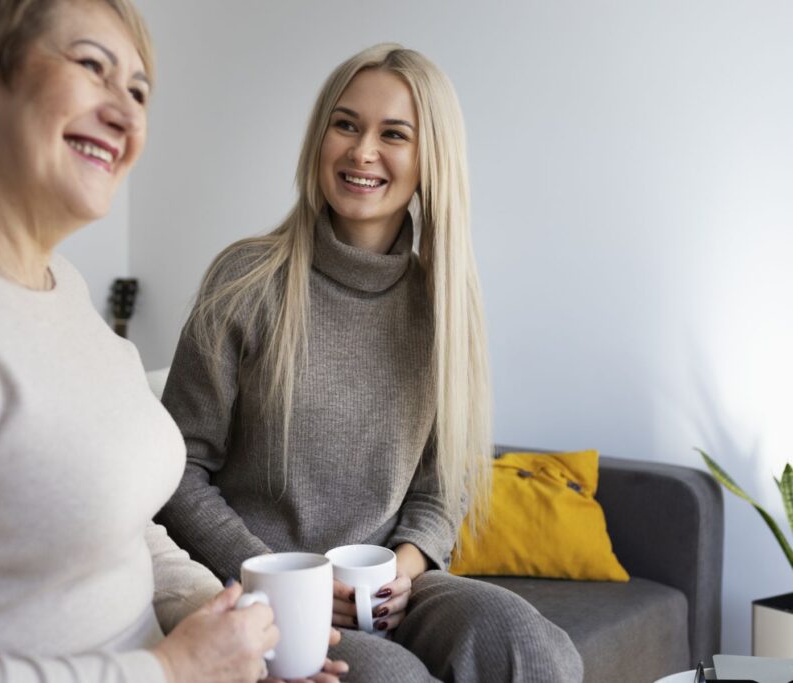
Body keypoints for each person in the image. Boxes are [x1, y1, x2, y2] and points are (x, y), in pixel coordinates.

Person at [0, 1, 347, 682]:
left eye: (138, 91)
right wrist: (173, 669)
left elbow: (118, 525)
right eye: (92, 68)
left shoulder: (64, 287)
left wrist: (226, 620)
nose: (128, 116)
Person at [156, 43, 585, 682]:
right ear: (320, 138)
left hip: (389, 587)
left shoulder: (442, 306)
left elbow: (444, 484)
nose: (362, 151)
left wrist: (406, 569)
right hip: (277, 594)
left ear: (428, 159)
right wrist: (276, 578)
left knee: (534, 648)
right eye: (346, 124)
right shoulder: (246, 280)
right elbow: (178, 469)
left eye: (394, 134)